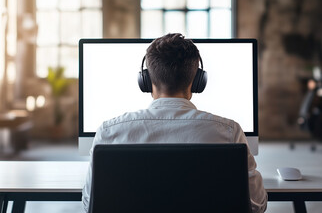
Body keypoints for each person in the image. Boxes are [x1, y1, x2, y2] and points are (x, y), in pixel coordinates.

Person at [82, 33, 267, 213]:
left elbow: (91, 203)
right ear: (197, 81)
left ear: (145, 81)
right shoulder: (229, 132)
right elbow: (256, 205)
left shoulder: (108, 132)